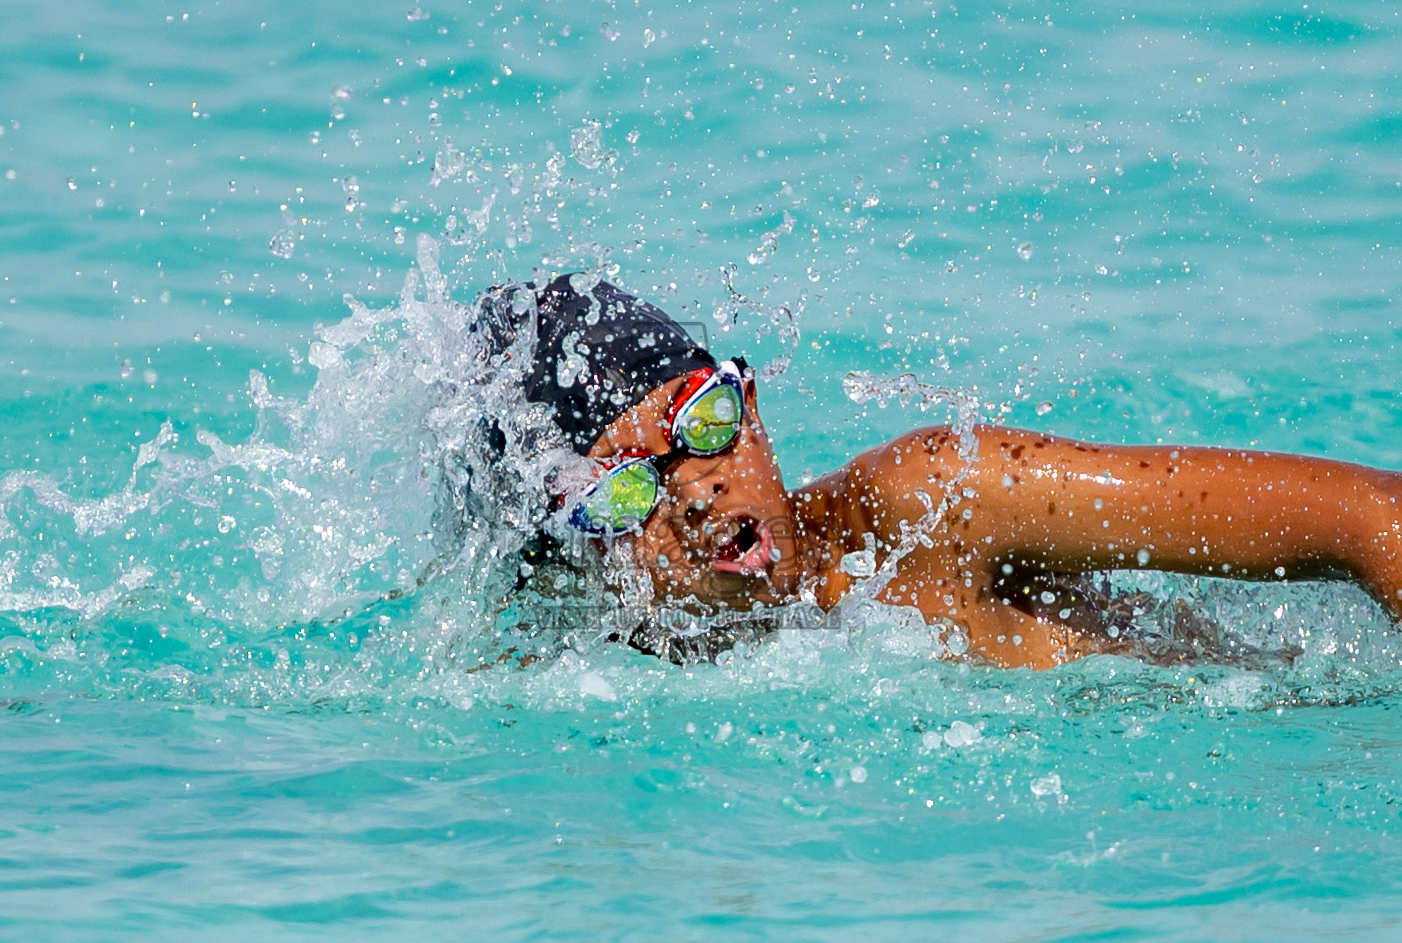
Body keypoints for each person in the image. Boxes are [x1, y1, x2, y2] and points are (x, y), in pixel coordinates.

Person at [475, 275, 1402, 669]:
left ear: (751, 411)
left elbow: (1375, 522)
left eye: (707, 422)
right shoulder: (560, 672)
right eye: (627, 486)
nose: (697, 487)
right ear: (569, 546)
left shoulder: (931, 508)